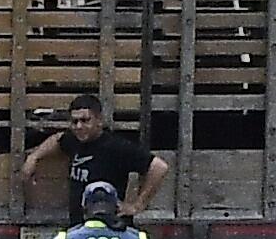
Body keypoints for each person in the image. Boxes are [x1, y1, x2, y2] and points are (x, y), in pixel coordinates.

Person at [15, 92, 169, 221]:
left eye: (85, 120)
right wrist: (33, 157)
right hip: (79, 227)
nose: (79, 126)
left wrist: (137, 205)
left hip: (108, 230)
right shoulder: (74, 140)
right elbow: (57, 139)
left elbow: (159, 167)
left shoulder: (116, 147)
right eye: (74, 121)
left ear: (99, 121)